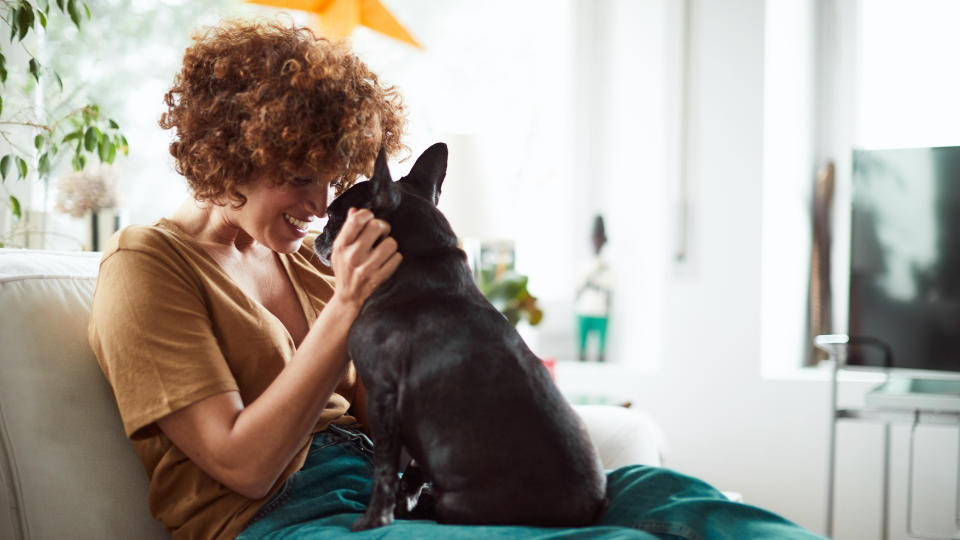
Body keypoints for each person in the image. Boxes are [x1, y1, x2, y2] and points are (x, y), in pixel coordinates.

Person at [89, 18, 827, 540]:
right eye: (296, 177)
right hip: (290, 520)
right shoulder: (148, 270)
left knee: (679, 501)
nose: (320, 206)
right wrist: (351, 303)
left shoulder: (296, 262)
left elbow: (390, 408)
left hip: (402, 490)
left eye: (331, 179)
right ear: (227, 153)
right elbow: (243, 467)